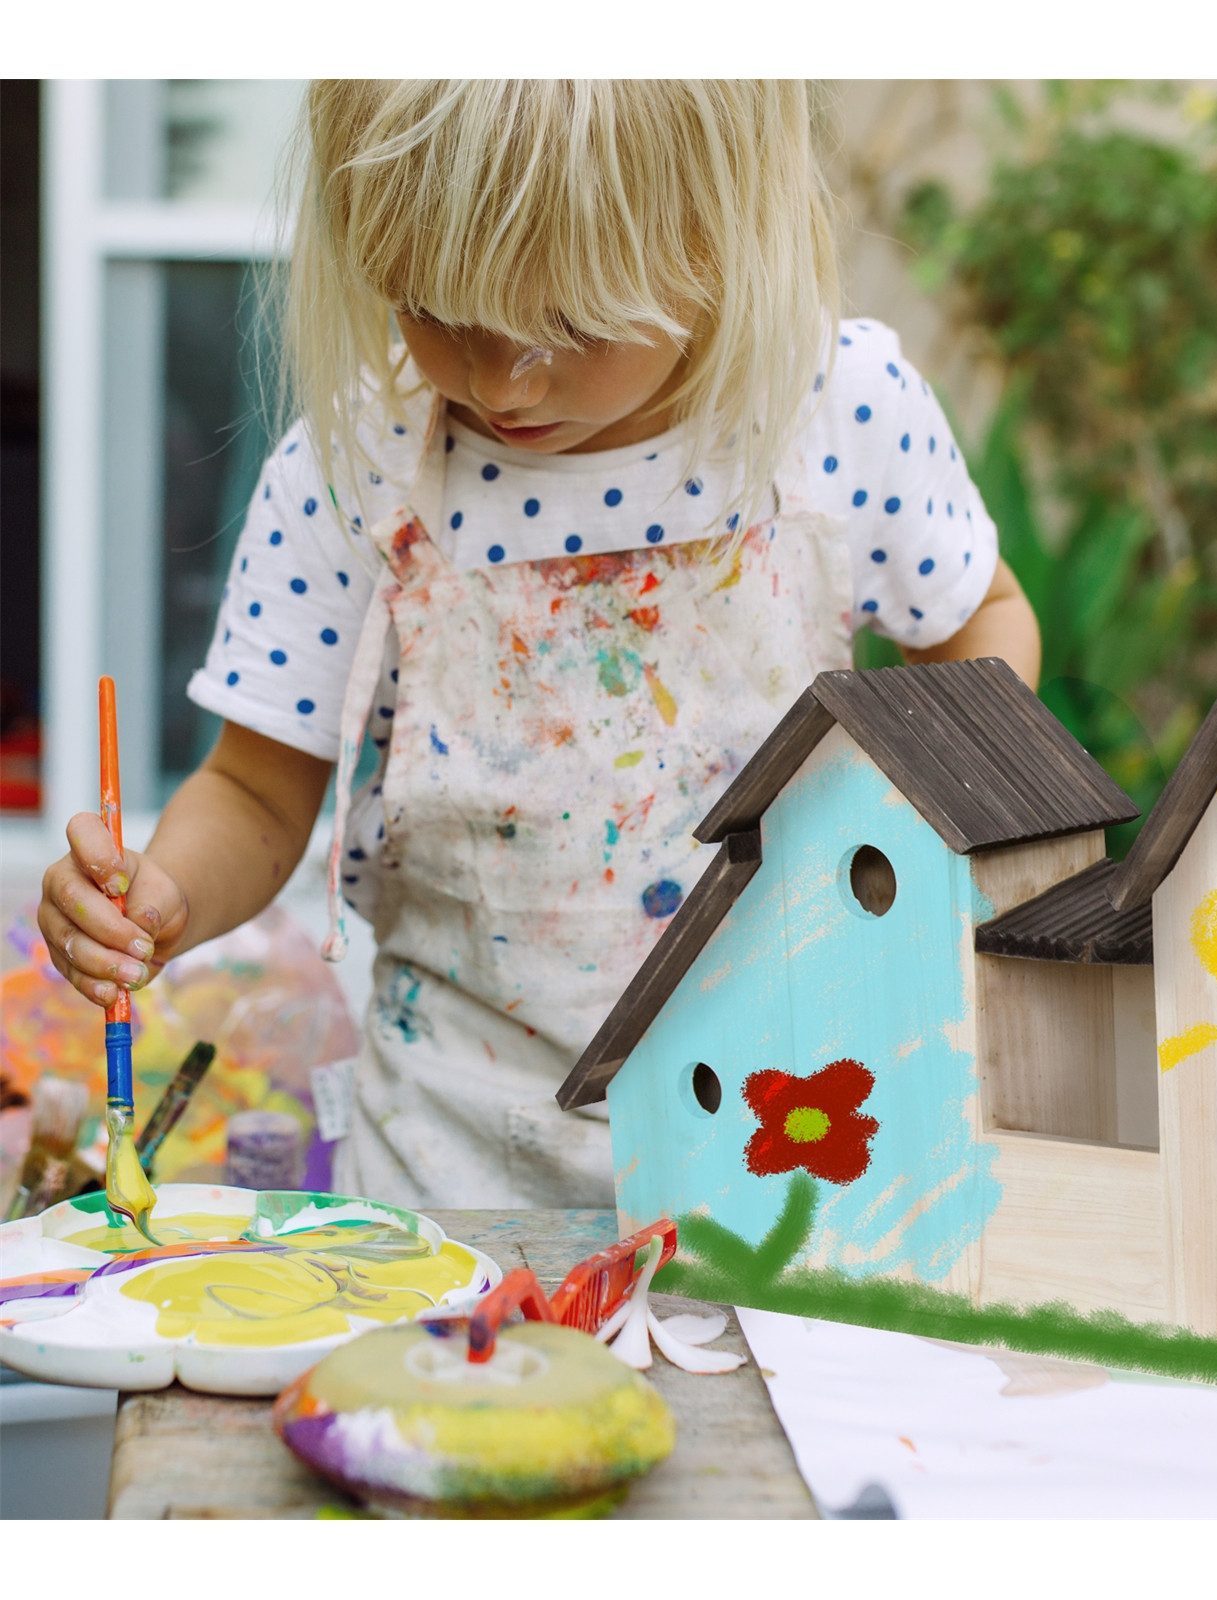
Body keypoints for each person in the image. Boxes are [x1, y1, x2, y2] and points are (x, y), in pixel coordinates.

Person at [38, 81, 1041, 1210]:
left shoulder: (839, 411)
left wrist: (941, 838)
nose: (504, 380)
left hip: (796, 1132)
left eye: (569, 324)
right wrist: (162, 896)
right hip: (457, 1166)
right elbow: (258, 795)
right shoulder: (358, 468)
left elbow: (979, 626)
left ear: (716, 234)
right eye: (436, 307)